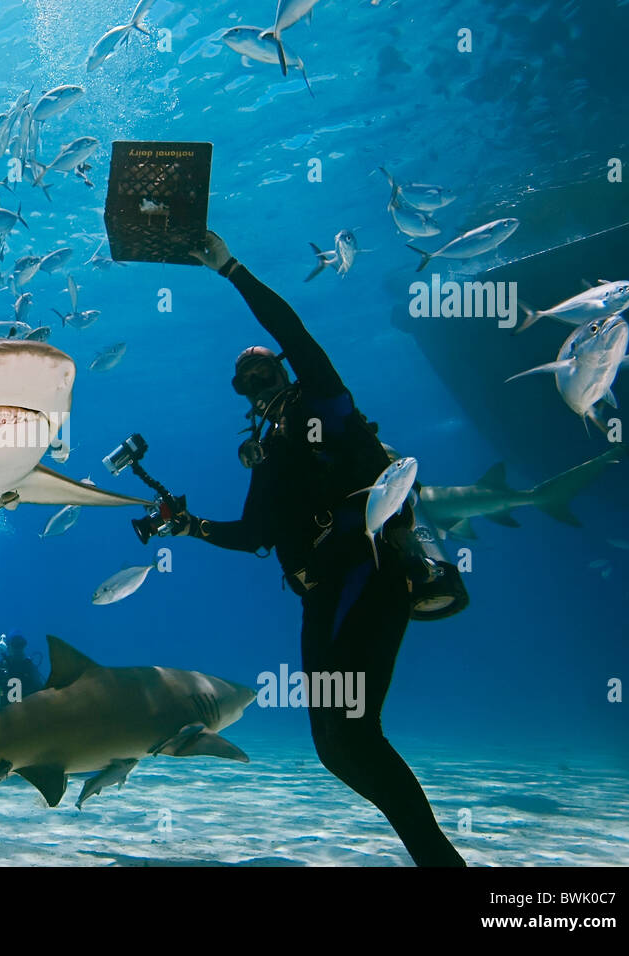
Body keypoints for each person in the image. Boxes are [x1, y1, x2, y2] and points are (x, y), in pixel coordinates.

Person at [169, 230, 465, 867]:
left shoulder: (325, 403)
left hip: (367, 572)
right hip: (319, 597)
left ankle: (443, 865)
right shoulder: (271, 449)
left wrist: (230, 266)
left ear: (282, 366)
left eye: (264, 368)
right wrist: (189, 526)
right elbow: (252, 535)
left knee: (353, 736)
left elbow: (295, 331)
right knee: (335, 747)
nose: (256, 380)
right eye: (245, 380)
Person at [0, 634, 44, 710]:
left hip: (27, 714)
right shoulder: (1, 666)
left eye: (20, 645)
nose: (18, 649)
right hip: (4, 716)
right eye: (15, 645)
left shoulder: (29, 666)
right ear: (8, 647)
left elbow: (40, 691)